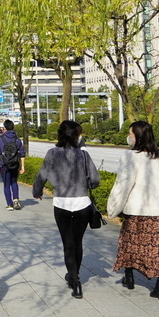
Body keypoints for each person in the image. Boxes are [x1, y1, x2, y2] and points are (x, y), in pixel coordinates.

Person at [32, 120, 100, 299]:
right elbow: (95, 180)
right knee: (77, 242)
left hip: (61, 203)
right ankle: (75, 277)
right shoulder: (83, 155)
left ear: (60, 134)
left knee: (67, 243)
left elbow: (42, 175)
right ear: (77, 136)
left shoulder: (52, 153)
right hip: (82, 204)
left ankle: (74, 279)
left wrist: (37, 191)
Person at [106, 121, 159, 301]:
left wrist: (113, 207)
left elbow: (123, 184)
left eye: (131, 134)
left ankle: (129, 276)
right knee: (157, 249)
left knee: (130, 244)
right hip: (157, 210)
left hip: (135, 210)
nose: (129, 137)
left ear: (138, 136)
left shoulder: (129, 156)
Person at [0, 119, 24, 211]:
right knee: (14, 182)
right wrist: (22, 166)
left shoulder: (0, 139)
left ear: (4, 128)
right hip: (15, 164)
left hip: (4, 165)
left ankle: (9, 204)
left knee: (6, 185)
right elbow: (22, 154)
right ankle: (16, 200)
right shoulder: (18, 140)